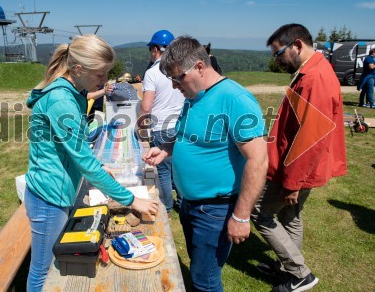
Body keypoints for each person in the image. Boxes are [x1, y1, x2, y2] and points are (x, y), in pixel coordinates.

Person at [24, 34, 159, 291]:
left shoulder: (73, 92)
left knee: (56, 264)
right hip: (48, 197)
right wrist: (132, 200)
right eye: (100, 75)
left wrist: (95, 164)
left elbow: (75, 142)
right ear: (78, 69)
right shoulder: (61, 100)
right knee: (43, 271)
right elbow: (83, 160)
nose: (105, 81)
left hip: (59, 190)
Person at [143, 36, 268, 292]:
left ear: (200, 67)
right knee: (201, 268)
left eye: (179, 78)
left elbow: (258, 159)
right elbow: (190, 139)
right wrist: (165, 150)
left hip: (215, 209)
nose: (176, 86)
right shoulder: (194, 96)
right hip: (190, 204)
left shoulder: (234, 99)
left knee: (206, 280)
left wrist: (241, 217)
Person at [251, 24, 347, 292]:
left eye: (278, 53)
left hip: (297, 168)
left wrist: (293, 182)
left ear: (296, 45)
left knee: (260, 213)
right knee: (290, 215)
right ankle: (287, 269)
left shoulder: (315, 78)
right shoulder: (311, 71)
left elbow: (311, 139)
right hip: (294, 165)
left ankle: (300, 274)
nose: (277, 60)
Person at [139, 29, 185, 213]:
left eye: (151, 49)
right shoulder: (180, 69)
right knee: (179, 168)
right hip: (180, 124)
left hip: (161, 126)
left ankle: (167, 206)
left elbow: (147, 106)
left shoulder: (152, 73)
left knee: (164, 171)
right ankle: (183, 202)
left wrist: (140, 126)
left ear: (156, 49)